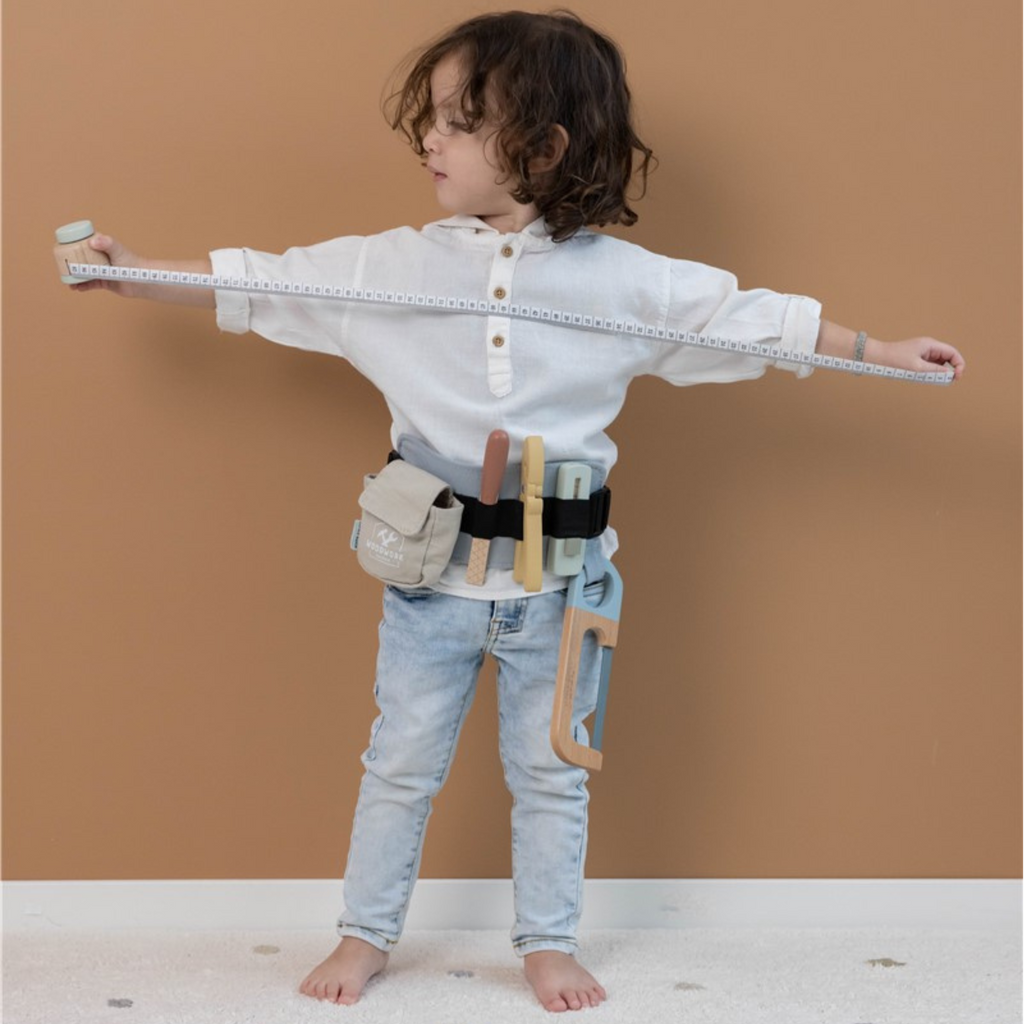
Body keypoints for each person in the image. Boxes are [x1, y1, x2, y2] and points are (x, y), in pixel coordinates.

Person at [68, 10, 965, 1013]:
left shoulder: (623, 283)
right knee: (399, 764)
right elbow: (265, 279)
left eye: (459, 121)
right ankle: (365, 933)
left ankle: (546, 943)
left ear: (540, 148)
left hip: (560, 585)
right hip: (430, 582)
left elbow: (753, 321)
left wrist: (880, 350)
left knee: (552, 773)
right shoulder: (394, 268)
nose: (430, 140)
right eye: (433, 120)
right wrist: (133, 271)